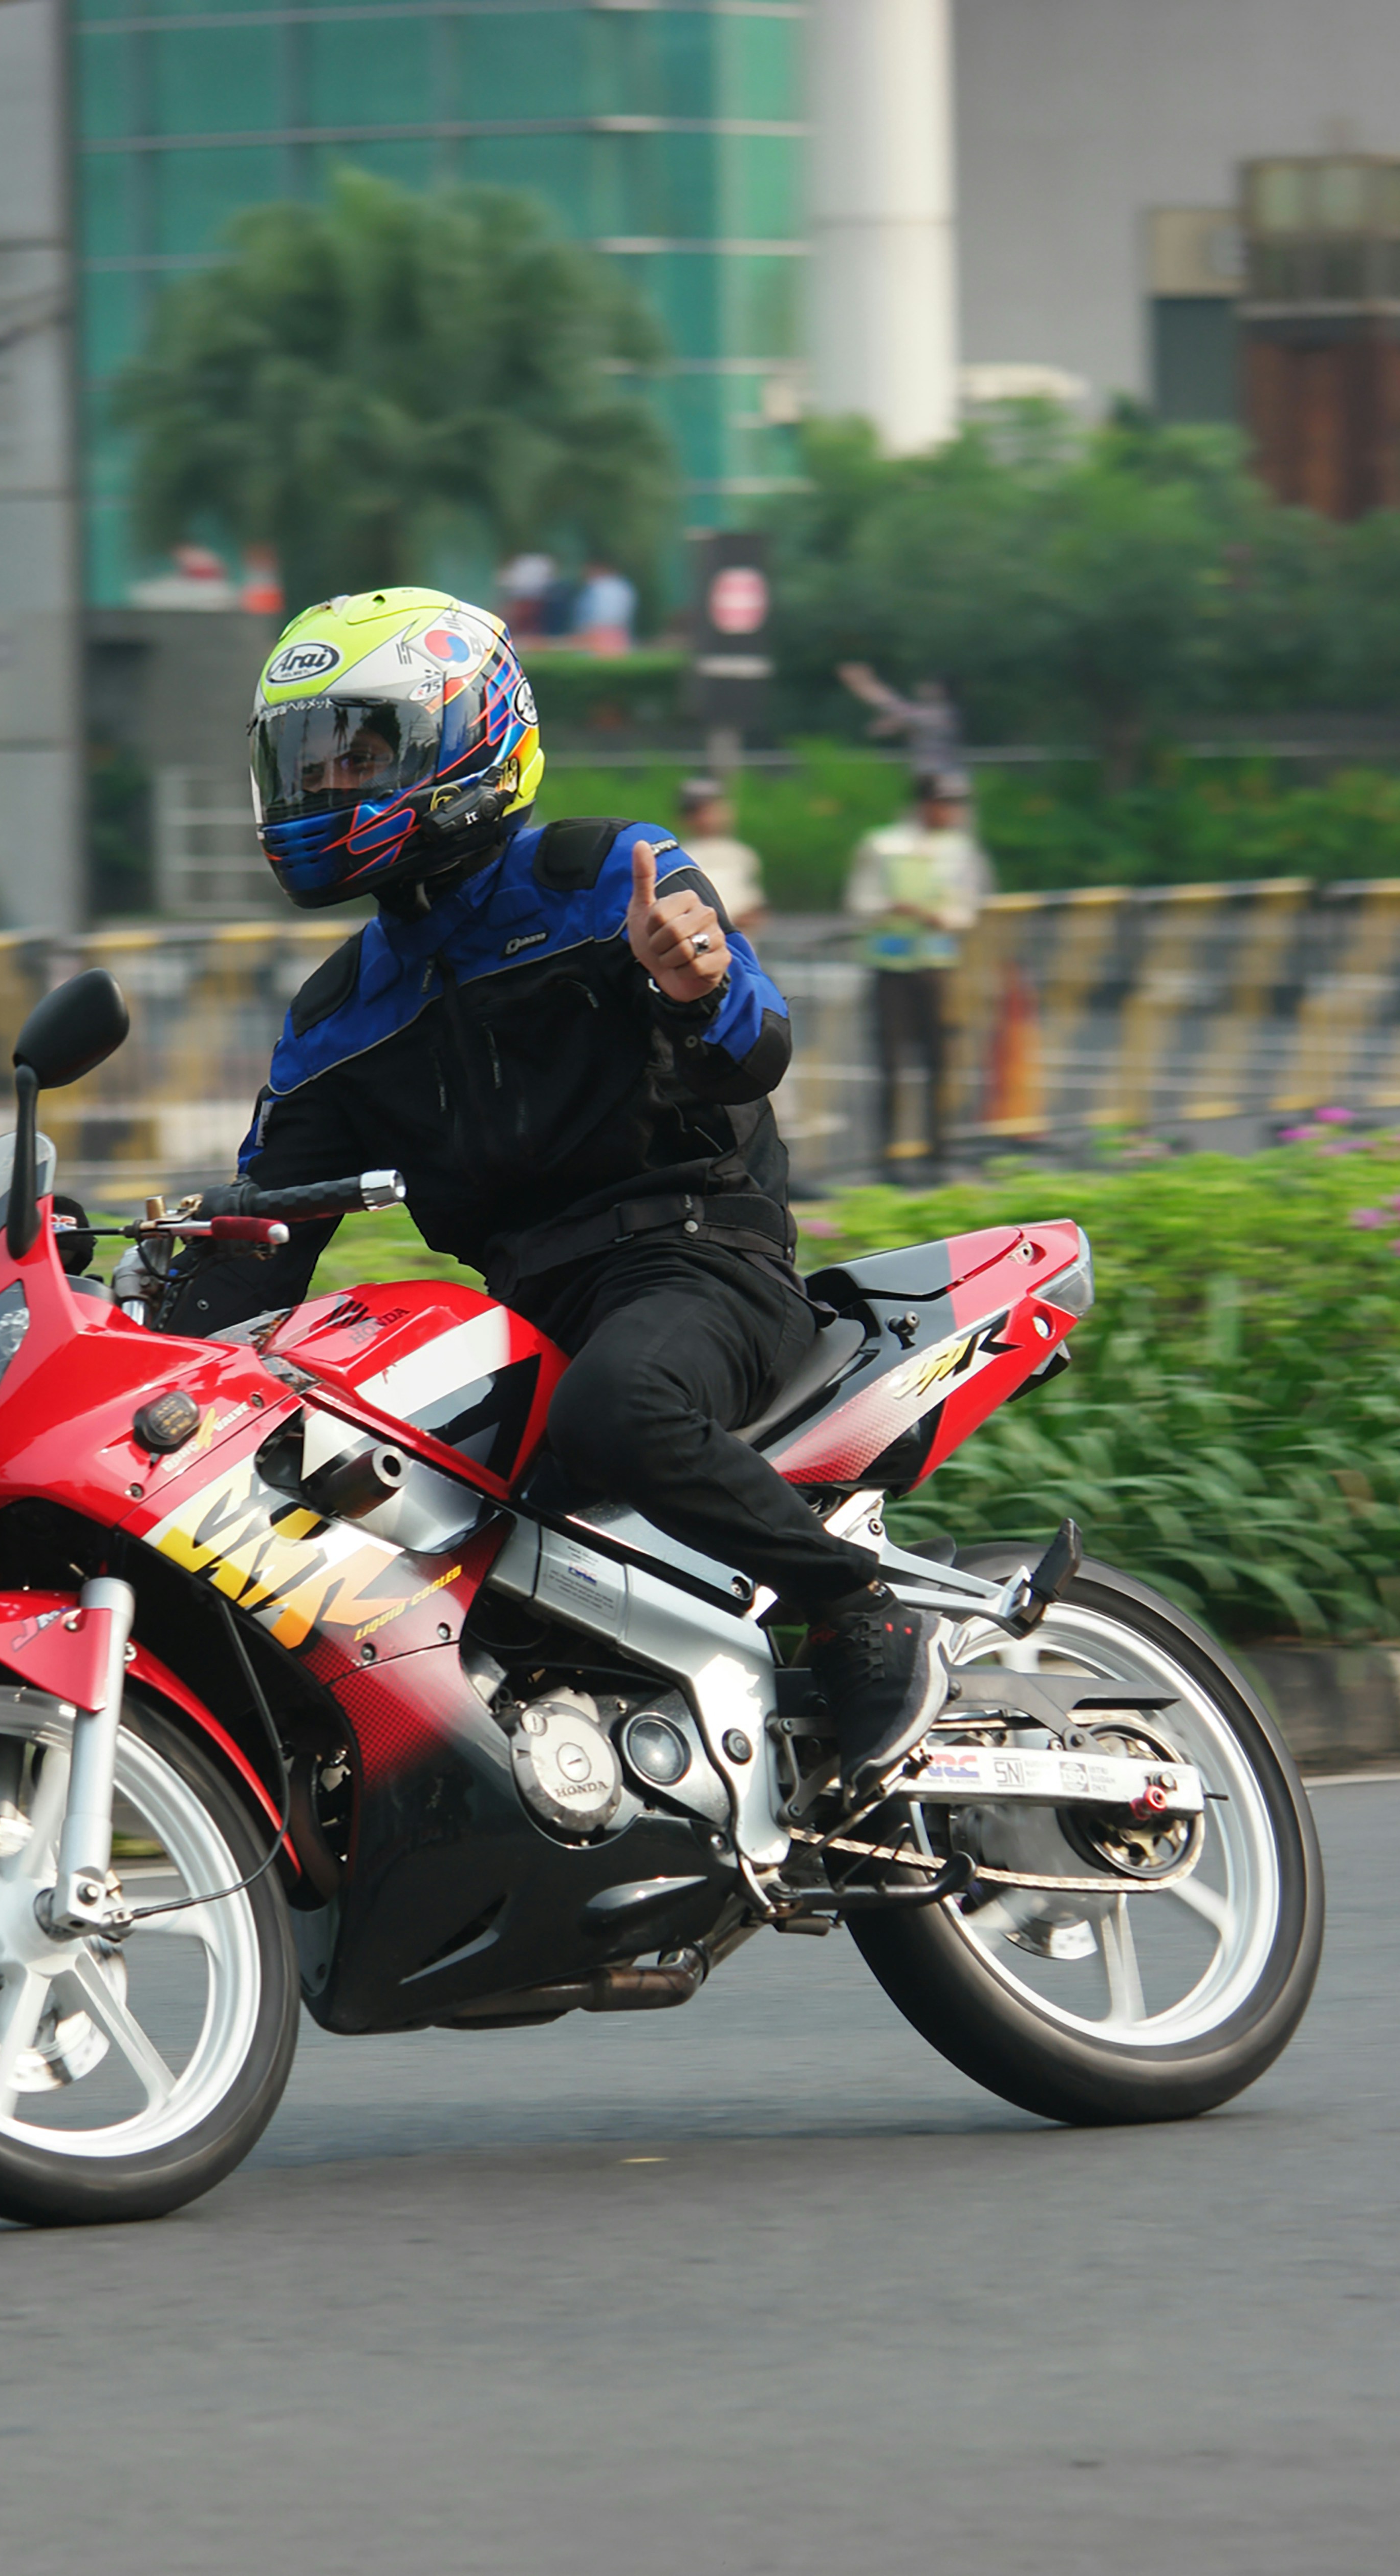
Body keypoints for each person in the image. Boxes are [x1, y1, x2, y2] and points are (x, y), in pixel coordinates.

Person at [156, 585, 950, 1791]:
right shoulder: (335, 1012)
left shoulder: (602, 877)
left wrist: (694, 982)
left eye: (357, 750)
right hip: (522, 1313)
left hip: (699, 1262)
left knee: (615, 1410)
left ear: (466, 734)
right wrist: (130, 1325)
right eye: (306, 760)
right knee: (369, 1517)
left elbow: (756, 1047)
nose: (326, 784)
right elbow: (265, 1237)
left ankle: (859, 1608)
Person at [845, 770, 988, 1183]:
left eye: (957, 804)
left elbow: (967, 906)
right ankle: (888, 1155)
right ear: (924, 804)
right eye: (945, 803)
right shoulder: (883, 845)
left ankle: (938, 1150)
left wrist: (941, 917)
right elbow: (860, 900)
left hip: (937, 967)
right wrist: (893, 908)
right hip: (890, 967)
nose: (952, 812)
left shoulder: (961, 850)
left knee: (940, 1060)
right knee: (891, 1064)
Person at [836, 663, 962, 781]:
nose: (920, 687)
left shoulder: (940, 713)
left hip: (942, 778)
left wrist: (865, 683)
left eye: (927, 685)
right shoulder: (937, 713)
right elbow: (882, 728)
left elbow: (892, 706)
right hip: (933, 776)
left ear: (940, 690)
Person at [676, 775, 767, 936]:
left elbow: (754, 905)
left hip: (741, 943)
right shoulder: (680, 857)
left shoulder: (742, 855)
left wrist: (747, 919)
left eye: (714, 809)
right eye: (701, 812)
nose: (709, 818)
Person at [571, 560, 636, 654]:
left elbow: (592, 612)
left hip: (599, 629)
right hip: (618, 629)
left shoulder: (598, 587)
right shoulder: (623, 586)